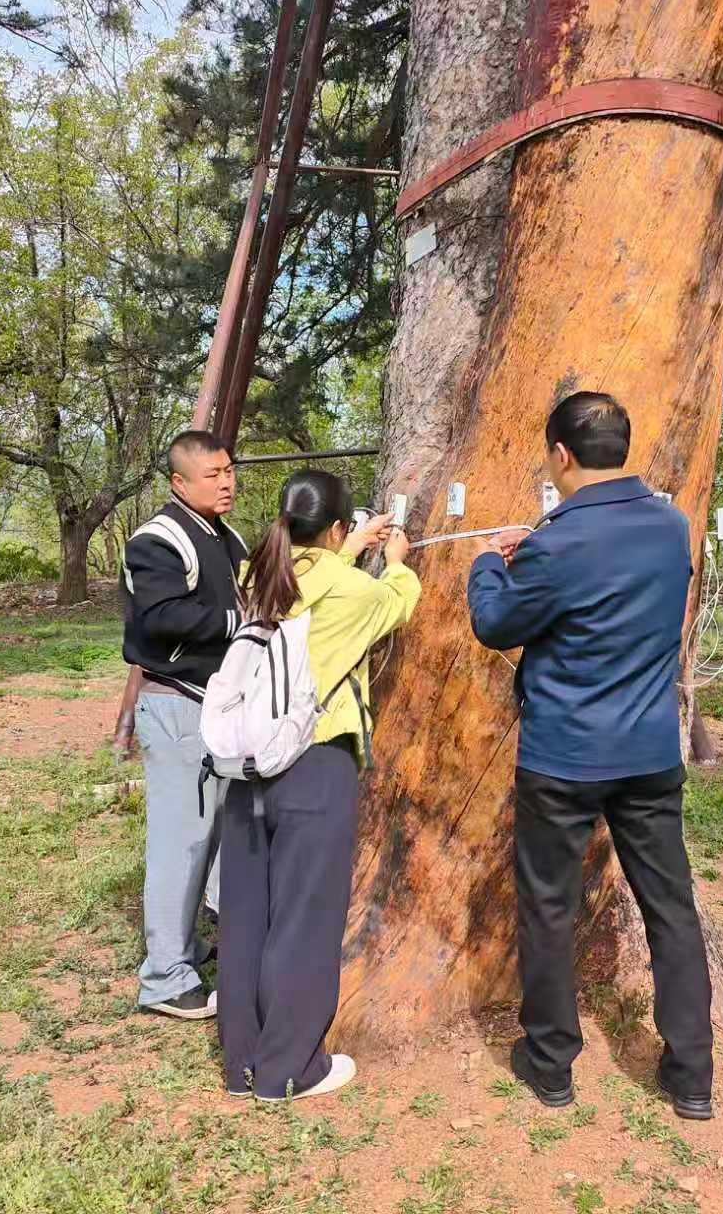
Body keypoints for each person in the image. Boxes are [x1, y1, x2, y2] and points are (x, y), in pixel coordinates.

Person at [467, 392, 715, 1120]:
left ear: (561, 455)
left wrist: (489, 565)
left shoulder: (557, 542)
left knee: (548, 907)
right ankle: (692, 1075)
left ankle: (551, 1065)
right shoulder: (671, 526)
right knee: (670, 908)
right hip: (648, 752)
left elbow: (496, 624)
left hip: (563, 757)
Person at [219, 470, 419, 1102]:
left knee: (247, 914)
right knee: (305, 917)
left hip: (248, 765)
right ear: (335, 527)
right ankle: (289, 1068)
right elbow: (397, 602)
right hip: (314, 764)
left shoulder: (257, 575)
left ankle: (242, 1062)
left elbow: (311, 580)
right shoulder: (355, 590)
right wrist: (396, 561)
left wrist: (347, 546)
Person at [124, 430, 247, 1020]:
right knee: (181, 845)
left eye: (229, 471)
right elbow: (164, 617)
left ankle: (187, 948)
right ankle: (164, 979)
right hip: (177, 706)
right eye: (212, 475)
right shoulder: (157, 540)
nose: (225, 483)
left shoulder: (226, 536)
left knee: (212, 838)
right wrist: (241, 620)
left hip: (213, 707)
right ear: (179, 482)